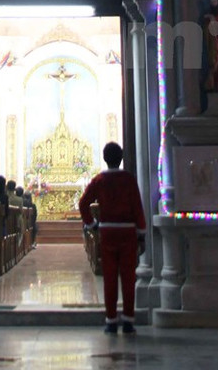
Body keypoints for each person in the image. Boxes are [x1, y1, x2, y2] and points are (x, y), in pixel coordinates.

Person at [78, 141, 146, 334]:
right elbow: (137, 207)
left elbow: (83, 204)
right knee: (128, 277)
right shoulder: (129, 179)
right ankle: (128, 320)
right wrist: (142, 233)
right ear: (121, 158)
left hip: (107, 232)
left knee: (109, 277)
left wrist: (93, 225)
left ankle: (110, 321)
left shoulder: (99, 180)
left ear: (105, 159)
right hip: (128, 232)